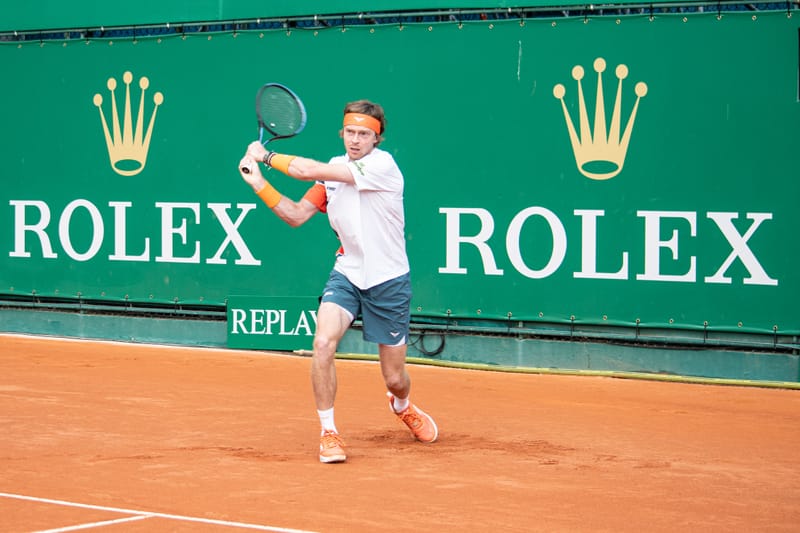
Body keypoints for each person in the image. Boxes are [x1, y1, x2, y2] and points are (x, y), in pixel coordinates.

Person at [238, 99, 438, 464]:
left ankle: (402, 405)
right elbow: (297, 215)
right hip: (347, 273)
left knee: (395, 378)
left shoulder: (382, 165)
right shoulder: (330, 171)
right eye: (350, 132)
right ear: (342, 133)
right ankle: (328, 432)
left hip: (389, 280)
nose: (356, 140)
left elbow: (303, 169)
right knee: (322, 343)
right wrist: (260, 185)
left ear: (377, 139)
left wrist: (265, 156)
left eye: (364, 134)